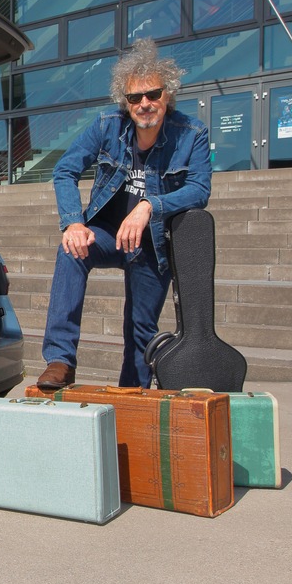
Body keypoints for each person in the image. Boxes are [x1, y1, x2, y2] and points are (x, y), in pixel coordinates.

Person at [35, 38, 212, 390]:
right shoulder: (106, 126)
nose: (144, 104)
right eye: (135, 98)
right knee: (70, 250)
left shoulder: (192, 134)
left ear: (168, 96)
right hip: (104, 234)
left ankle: (131, 394)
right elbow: (65, 170)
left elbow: (199, 189)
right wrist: (73, 222)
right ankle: (60, 359)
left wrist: (150, 206)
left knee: (141, 329)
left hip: (150, 244)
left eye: (153, 95)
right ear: (125, 102)